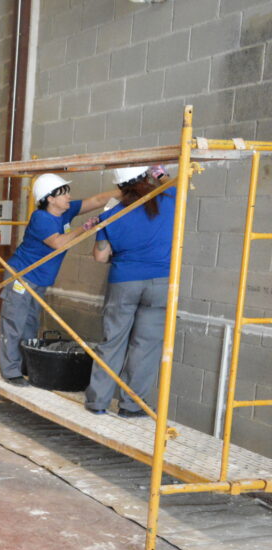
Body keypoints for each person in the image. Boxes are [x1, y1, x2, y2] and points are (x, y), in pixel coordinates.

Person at [0, 173, 120, 386]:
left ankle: (26, 366)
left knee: (30, 324)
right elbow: (57, 243)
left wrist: (128, 190)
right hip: (22, 276)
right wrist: (83, 228)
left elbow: (98, 200)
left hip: (41, 279)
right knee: (14, 323)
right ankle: (10, 371)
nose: (69, 197)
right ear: (50, 199)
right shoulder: (41, 218)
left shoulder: (66, 211)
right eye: (63, 193)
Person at [84, 165, 173, 417]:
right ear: (147, 177)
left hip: (123, 282)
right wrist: (161, 174)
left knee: (112, 341)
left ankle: (97, 402)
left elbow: (100, 257)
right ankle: (132, 406)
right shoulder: (169, 199)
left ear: (120, 187)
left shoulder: (110, 214)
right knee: (145, 346)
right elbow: (177, 184)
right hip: (160, 282)